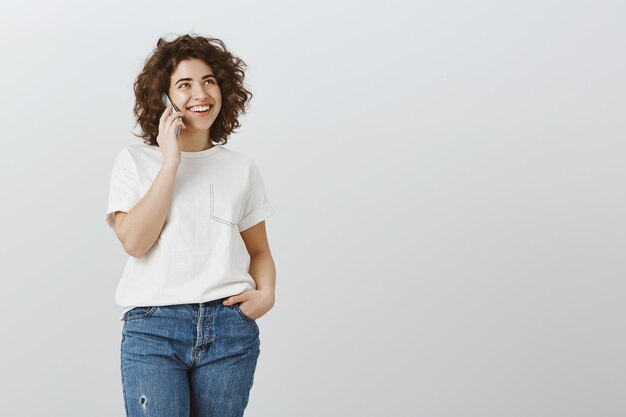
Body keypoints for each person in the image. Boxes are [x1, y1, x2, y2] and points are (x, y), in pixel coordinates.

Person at [104, 34, 277, 417]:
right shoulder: (135, 161)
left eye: (209, 80)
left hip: (229, 331)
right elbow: (134, 242)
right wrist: (170, 161)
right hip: (154, 329)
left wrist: (267, 295)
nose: (201, 93)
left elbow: (260, 250)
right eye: (184, 84)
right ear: (163, 97)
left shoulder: (241, 168)